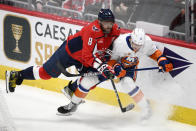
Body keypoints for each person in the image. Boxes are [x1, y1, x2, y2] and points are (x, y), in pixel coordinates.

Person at [5, 8, 121, 113]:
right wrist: (102, 66)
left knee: (92, 78)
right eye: (106, 23)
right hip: (69, 53)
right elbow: (87, 56)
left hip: (84, 58)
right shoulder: (92, 30)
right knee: (45, 73)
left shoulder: (115, 30)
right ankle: (17, 75)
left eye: (111, 23)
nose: (109, 26)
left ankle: (71, 89)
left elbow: (115, 44)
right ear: (99, 22)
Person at [61, 28, 173, 118]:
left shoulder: (146, 42)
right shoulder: (120, 43)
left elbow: (154, 52)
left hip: (129, 66)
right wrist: (116, 67)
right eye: (135, 44)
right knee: (87, 81)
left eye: (139, 46)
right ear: (130, 39)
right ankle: (73, 105)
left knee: (127, 84)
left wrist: (161, 60)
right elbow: (111, 60)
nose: (137, 48)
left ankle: (147, 109)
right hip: (109, 66)